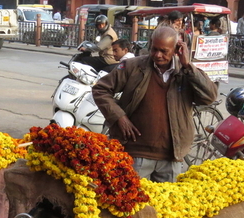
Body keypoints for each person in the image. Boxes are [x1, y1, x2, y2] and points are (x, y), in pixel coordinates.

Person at [92, 26, 218, 182]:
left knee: (165, 205)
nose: (158, 55)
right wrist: (119, 117)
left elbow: (210, 96)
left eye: (164, 51)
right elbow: (100, 90)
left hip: (171, 157)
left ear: (176, 49)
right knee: (133, 203)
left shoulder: (185, 72)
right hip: (136, 154)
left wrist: (188, 66)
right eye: (154, 49)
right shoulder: (133, 66)